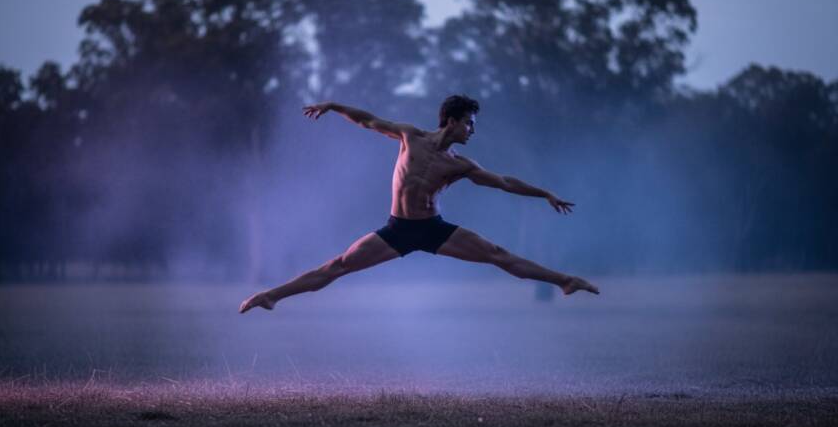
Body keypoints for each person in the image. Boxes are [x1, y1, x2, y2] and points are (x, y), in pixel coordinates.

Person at [239, 95, 598, 313]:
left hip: (432, 229)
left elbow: (504, 182)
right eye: (470, 124)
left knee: (498, 255)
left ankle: (565, 281)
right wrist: (333, 106)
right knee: (336, 267)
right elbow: (367, 120)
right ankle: (271, 296)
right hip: (398, 229)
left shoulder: (461, 165)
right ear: (453, 121)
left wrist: (545, 194)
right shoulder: (410, 135)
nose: (472, 130)